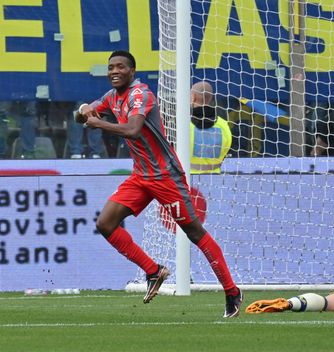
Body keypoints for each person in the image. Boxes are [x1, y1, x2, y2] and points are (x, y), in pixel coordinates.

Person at [75, 50, 242, 318]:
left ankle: (232, 291)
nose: (114, 71)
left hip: (165, 177)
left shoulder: (141, 94)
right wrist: (85, 109)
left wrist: (96, 122)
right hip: (141, 176)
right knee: (105, 223)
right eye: (110, 68)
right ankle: (153, 271)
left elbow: (132, 129)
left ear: (132, 71)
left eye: (120, 67)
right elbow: (91, 107)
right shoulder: (111, 97)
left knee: (195, 233)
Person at [190, 81, 232, 174]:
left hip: (186, 180)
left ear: (193, 97)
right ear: (211, 98)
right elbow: (226, 148)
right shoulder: (224, 125)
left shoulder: (184, 125)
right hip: (215, 180)